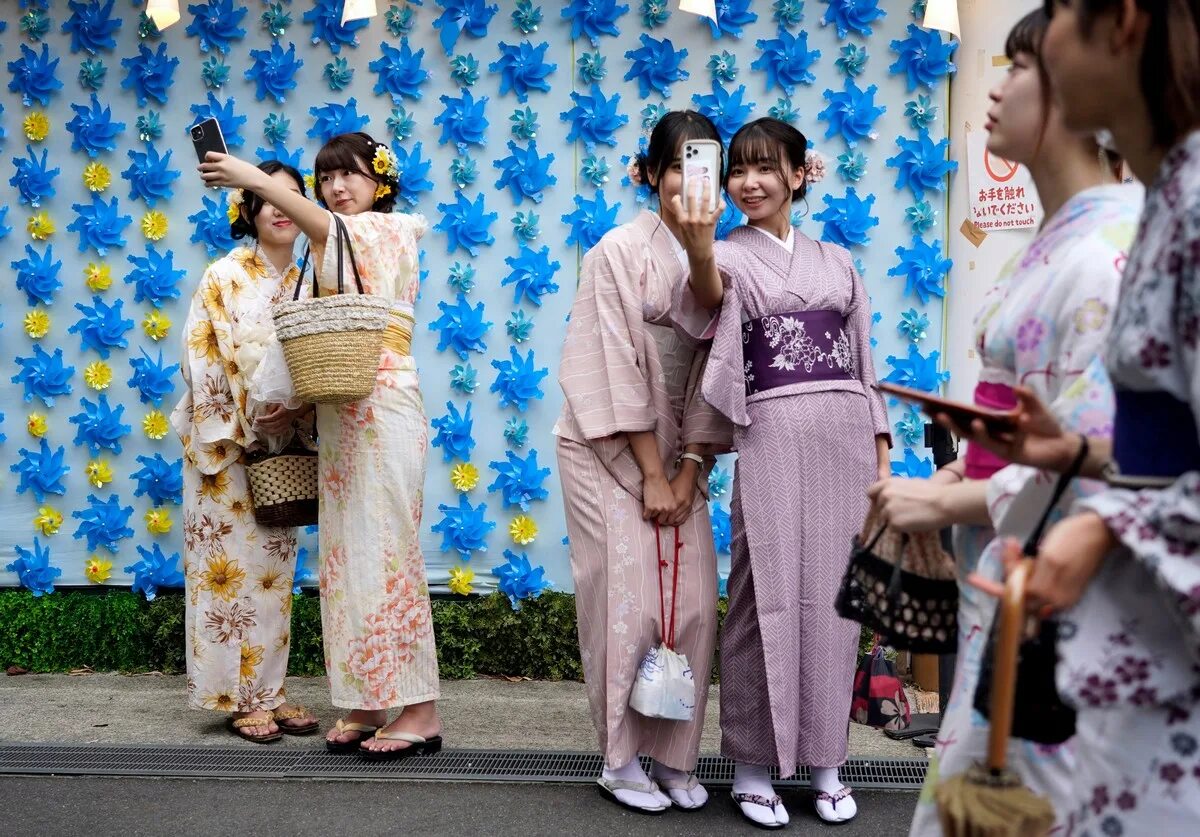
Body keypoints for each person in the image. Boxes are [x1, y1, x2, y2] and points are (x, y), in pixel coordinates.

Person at [867, 9, 1143, 834]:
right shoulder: (1056, 241)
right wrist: (954, 473)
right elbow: (1023, 425)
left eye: (1020, 67)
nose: (995, 86)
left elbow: (1103, 455)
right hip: (1010, 573)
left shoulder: (1106, 249)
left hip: (1062, 586)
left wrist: (946, 502)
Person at [948, 0, 1200, 832]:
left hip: (1155, 654)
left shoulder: (1184, 206)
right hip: (1125, 647)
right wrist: (1080, 450)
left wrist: (1104, 525)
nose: (1041, 48)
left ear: (1122, 21)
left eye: (1053, 16)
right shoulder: (1171, 195)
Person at [676, 117, 892, 827]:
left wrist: (882, 447)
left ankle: (828, 762)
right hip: (770, 431)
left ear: (801, 175)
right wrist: (702, 245)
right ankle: (749, 765)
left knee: (835, 599)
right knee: (758, 592)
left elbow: (864, 358)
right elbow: (706, 302)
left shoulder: (838, 260)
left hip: (844, 437)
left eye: (767, 167)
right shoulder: (729, 256)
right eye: (738, 169)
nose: (749, 181)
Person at [199, 132, 438, 760]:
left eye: (351, 175)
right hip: (339, 413)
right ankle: (366, 698)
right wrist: (290, 401)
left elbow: (324, 228)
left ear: (380, 182)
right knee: (346, 560)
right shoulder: (326, 242)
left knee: (388, 552)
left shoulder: (390, 229)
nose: (337, 188)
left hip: (383, 406)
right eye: (327, 177)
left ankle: (421, 709)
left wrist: (252, 178)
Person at [555, 110, 733, 814]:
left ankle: (674, 754)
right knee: (624, 602)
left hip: (682, 444)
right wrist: (652, 471)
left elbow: (718, 368)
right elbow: (609, 365)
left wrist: (689, 465)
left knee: (689, 604)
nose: (693, 182)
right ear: (650, 173)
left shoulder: (722, 251)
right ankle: (622, 757)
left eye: (706, 169)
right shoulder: (615, 250)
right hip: (608, 445)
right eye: (679, 167)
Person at [171, 160, 319, 742]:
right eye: (267, 198)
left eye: (292, 196)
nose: (281, 207)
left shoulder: (314, 279)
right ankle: (236, 696)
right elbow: (201, 356)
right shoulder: (225, 276)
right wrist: (252, 416)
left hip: (283, 448)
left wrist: (298, 409)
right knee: (226, 574)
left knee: (272, 572)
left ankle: (271, 691)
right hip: (229, 445)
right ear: (249, 211)